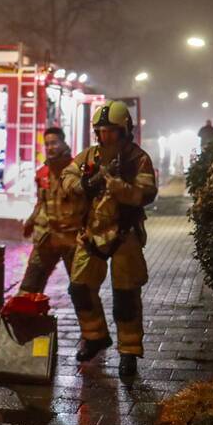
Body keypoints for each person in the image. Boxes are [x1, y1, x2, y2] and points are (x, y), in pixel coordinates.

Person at [62, 101, 157, 377]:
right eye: (101, 131)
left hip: (124, 234)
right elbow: (66, 178)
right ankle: (95, 337)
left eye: (112, 131)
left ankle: (128, 352)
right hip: (91, 233)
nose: (106, 137)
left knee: (126, 296)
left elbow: (146, 192)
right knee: (79, 287)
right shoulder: (89, 157)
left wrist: (118, 186)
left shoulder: (138, 159)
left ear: (125, 131)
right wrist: (86, 184)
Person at [19, 127, 85, 295]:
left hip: (71, 241)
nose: (50, 147)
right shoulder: (42, 174)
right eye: (47, 144)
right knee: (28, 290)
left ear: (64, 143)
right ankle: (30, 320)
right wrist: (31, 220)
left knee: (82, 293)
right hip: (46, 240)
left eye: (54, 143)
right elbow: (41, 203)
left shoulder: (77, 171)